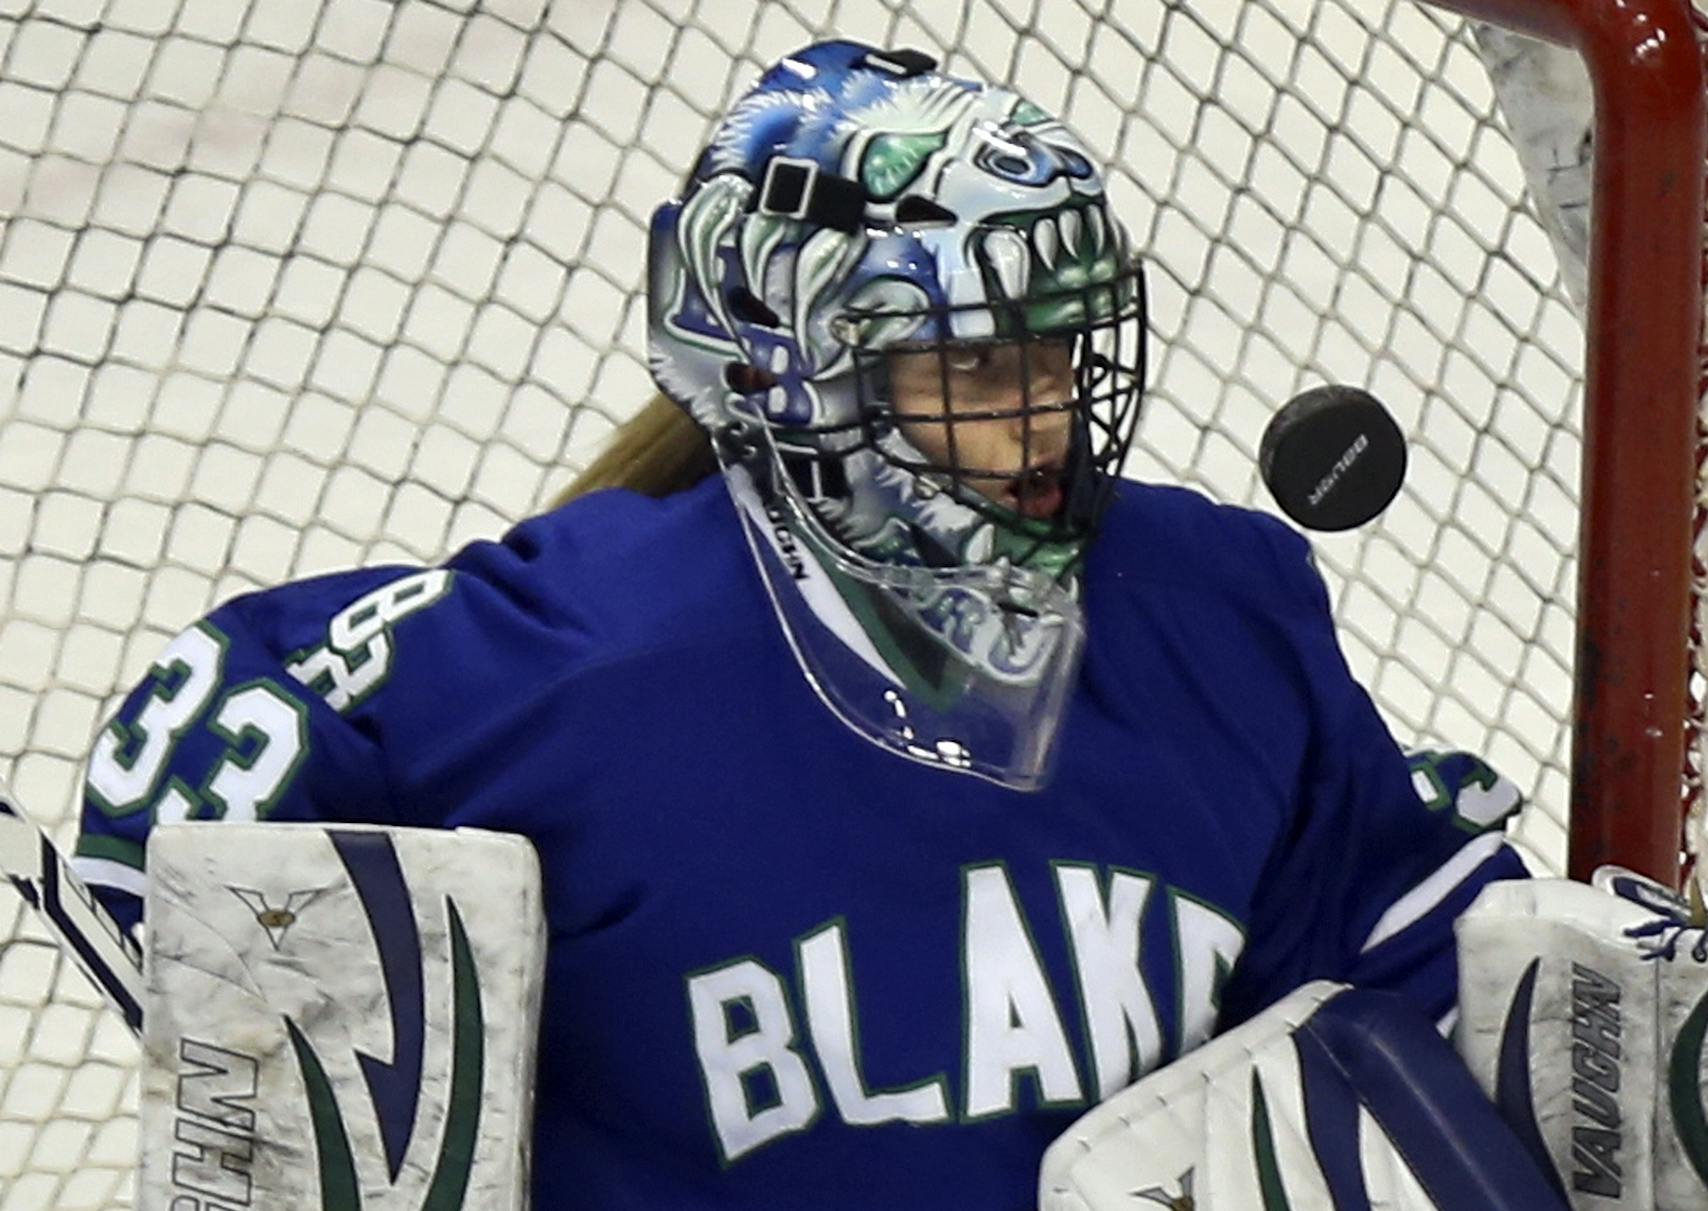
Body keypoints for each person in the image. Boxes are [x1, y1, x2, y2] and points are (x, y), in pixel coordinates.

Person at [72, 40, 1532, 1206]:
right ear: (789, 370)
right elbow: (199, 764)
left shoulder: (1212, 605)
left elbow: (1393, 963)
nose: (1041, 419)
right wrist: (313, 1066)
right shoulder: (583, 660)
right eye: (969, 370)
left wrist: (1571, 1029)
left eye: (1058, 351)